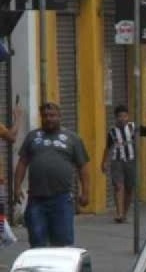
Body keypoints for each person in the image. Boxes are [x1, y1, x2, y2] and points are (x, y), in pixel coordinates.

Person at [13, 103, 90, 247]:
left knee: (62, 242)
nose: (49, 119)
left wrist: (85, 192)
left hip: (61, 199)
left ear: (59, 116)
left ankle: (60, 269)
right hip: (36, 199)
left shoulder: (72, 138)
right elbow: (22, 163)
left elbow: (83, 167)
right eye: (45, 116)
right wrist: (17, 187)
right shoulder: (32, 137)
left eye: (52, 115)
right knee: (37, 241)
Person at [101, 105, 146, 223]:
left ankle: (124, 213)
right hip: (117, 161)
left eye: (124, 116)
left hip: (131, 160)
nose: (122, 119)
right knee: (118, 186)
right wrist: (104, 162)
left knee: (129, 188)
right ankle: (118, 213)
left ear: (128, 117)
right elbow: (107, 148)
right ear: (116, 118)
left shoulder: (133, 127)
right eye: (119, 116)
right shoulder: (112, 132)